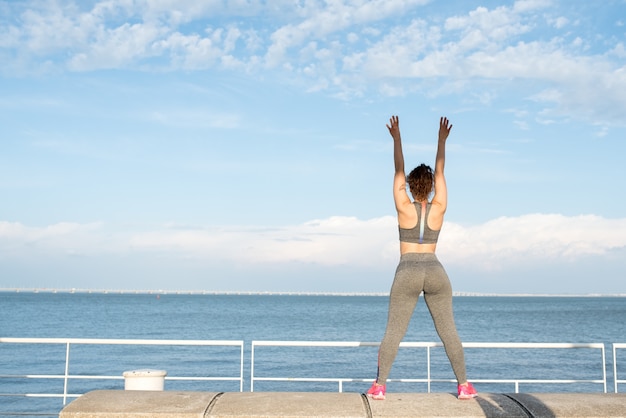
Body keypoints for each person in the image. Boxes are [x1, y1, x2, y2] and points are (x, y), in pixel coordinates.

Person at [366, 115, 477, 401]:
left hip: (408, 271)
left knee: (394, 332)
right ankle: (464, 386)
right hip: (436, 270)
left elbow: (398, 170)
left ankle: (380, 387)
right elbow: (441, 173)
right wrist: (441, 141)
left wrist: (397, 138)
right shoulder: (439, 206)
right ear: (429, 187)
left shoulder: (403, 205)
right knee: (448, 331)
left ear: (410, 187)